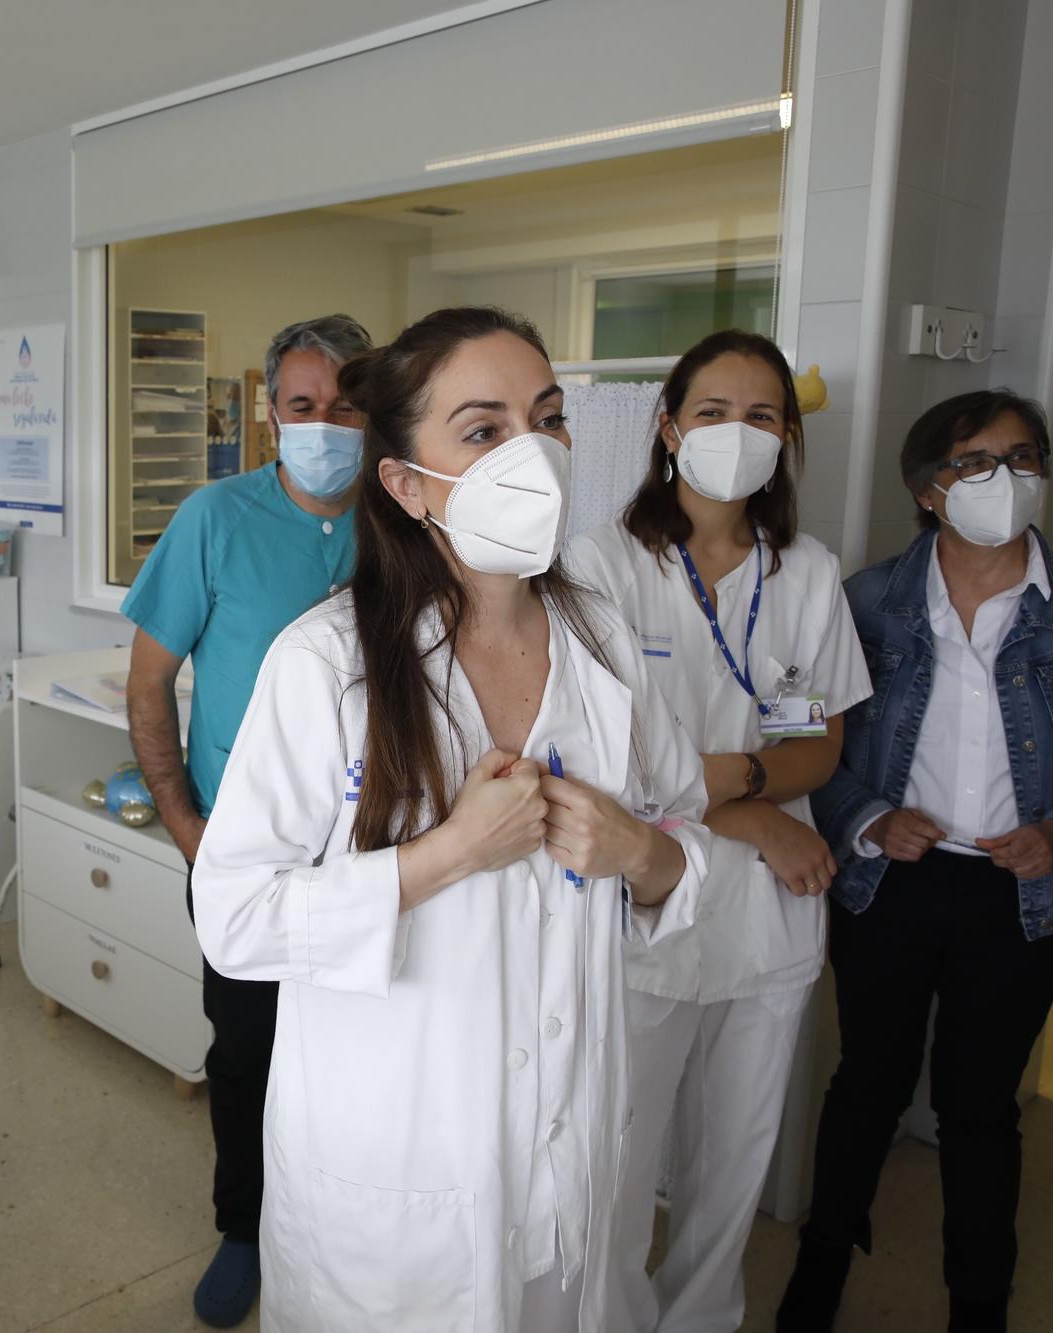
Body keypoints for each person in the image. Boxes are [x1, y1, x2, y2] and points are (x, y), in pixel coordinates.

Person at [191, 306, 713, 1332]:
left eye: (546, 418)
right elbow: (233, 916)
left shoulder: (603, 639)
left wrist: (638, 854)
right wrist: (443, 856)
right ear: (403, 481)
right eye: (483, 430)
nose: (534, 454)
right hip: (399, 1168)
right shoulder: (324, 663)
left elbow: (681, 844)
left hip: (569, 1144)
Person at [780, 390, 1053, 1333]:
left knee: (979, 1104)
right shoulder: (868, 599)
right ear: (927, 490)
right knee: (866, 1082)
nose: (1006, 479)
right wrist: (870, 818)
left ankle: (978, 1301)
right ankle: (819, 1275)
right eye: (975, 463)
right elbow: (806, 748)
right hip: (891, 882)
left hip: (1023, 891)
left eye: (1023, 457)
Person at [567, 330, 872, 1333]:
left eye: (758, 416)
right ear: (665, 428)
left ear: (784, 438)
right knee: (616, 1165)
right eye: (710, 412)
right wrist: (750, 809)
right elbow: (609, 767)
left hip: (766, 912)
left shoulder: (804, 573)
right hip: (644, 901)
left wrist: (722, 784)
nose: (733, 435)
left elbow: (814, 748)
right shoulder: (601, 564)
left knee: (728, 1170)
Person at [120, 313, 375, 1328]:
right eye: (302, 405)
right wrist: (188, 826)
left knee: (359, 1050)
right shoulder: (214, 518)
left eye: (346, 404)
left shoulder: (402, 521)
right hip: (242, 849)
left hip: (368, 856)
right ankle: (242, 1226)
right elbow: (147, 685)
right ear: (271, 415)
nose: (324, 423)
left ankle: (341, 1223)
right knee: (246, 1051)